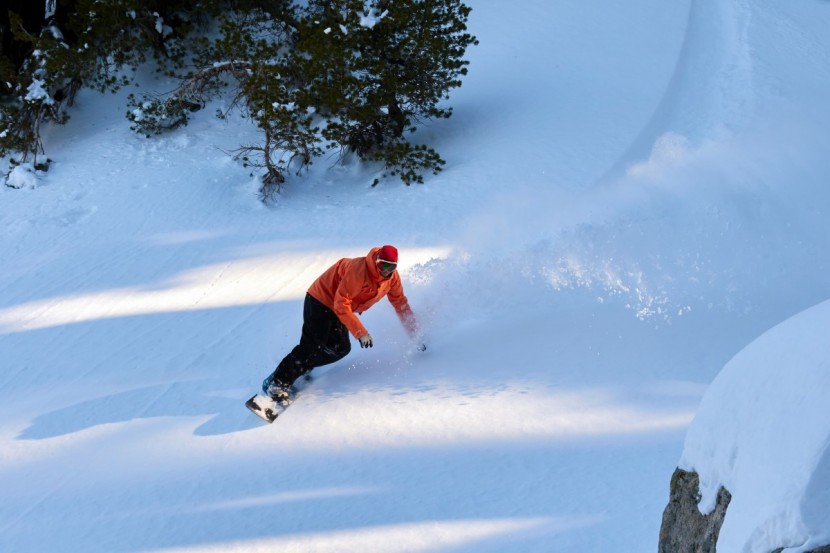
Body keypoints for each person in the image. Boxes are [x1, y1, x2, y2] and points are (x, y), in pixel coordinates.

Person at [261, 244, 425, 406]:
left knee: (340, 349)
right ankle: (277, 383)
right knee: (312, 346)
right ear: (377, 261)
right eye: (383, 265)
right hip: (321, 299)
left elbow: (400, 303)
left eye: (391, 266)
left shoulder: (392, 279)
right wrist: (360, 332)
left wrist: (414, 332)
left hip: (339, 308)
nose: (386, 270)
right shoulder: (359, 271)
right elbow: (341, 304)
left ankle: (302, 365)